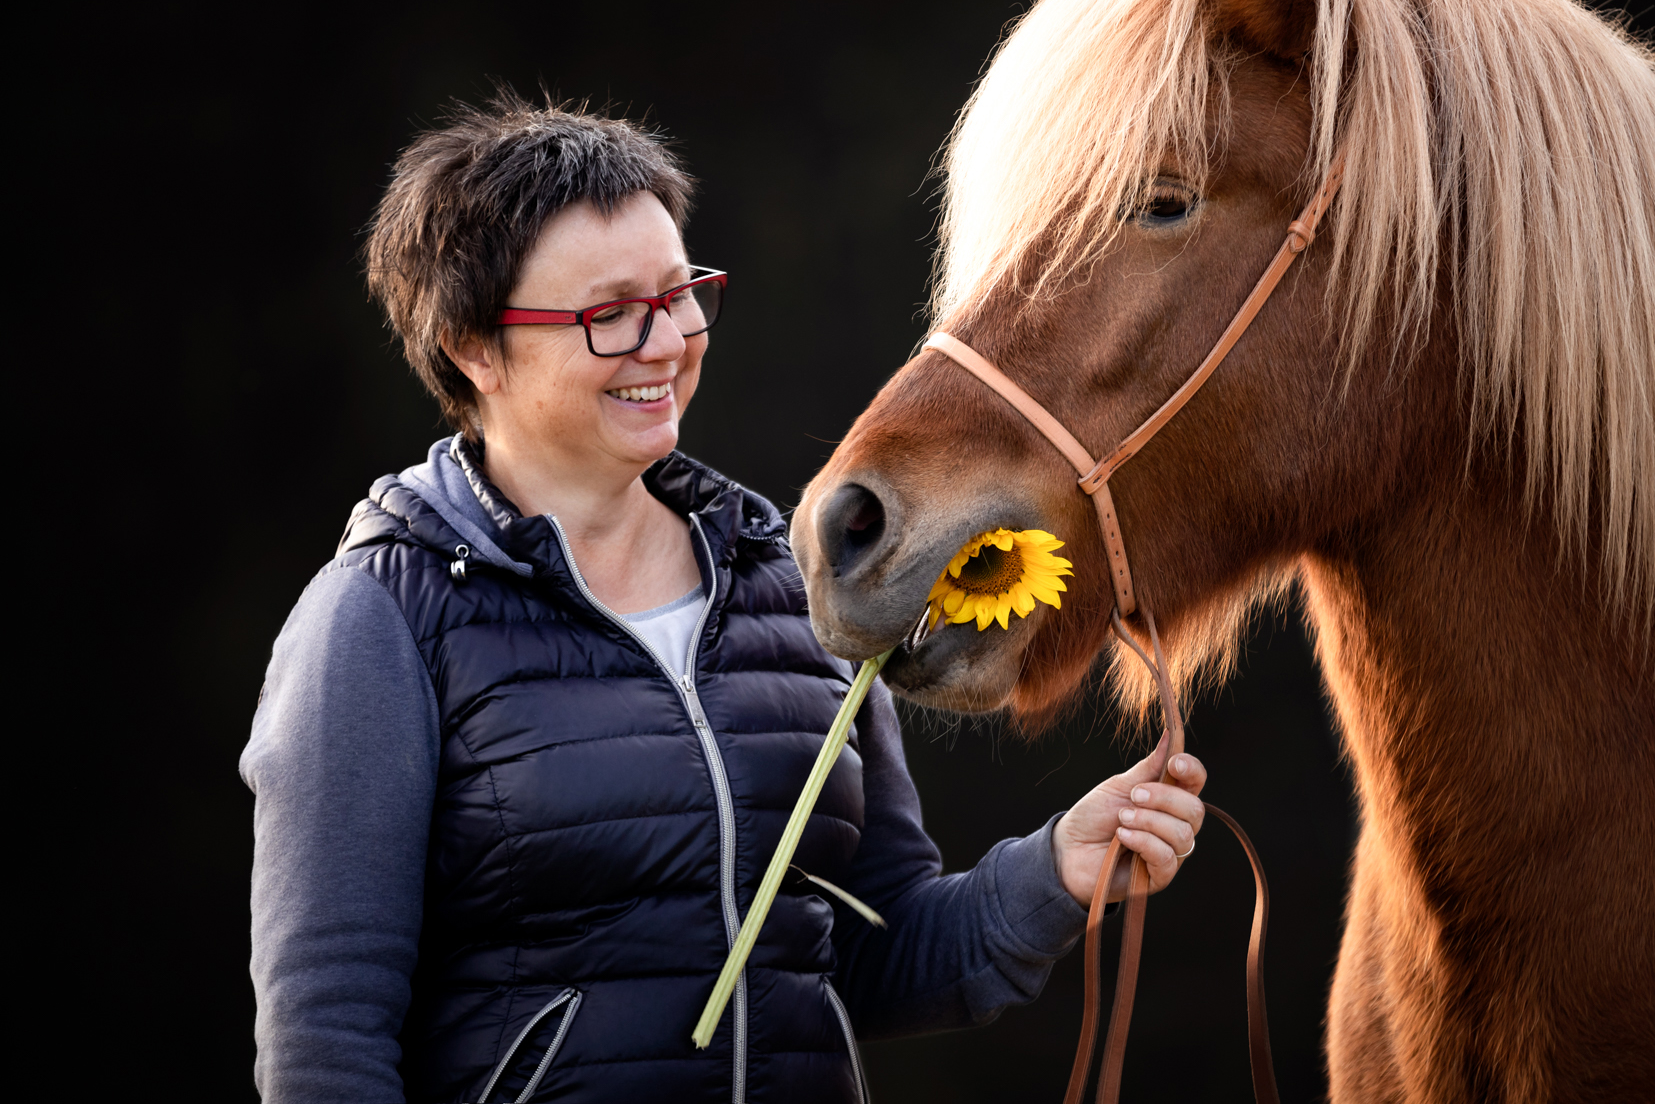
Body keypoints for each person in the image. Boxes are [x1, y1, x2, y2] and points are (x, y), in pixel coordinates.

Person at [240, 91, 1209, 1102]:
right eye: (610, 315)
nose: (665, 342)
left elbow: (868, 955)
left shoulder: (789, 590)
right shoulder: (380, 617)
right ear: (473, 349)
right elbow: (327, 1040)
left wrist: (1053, 871)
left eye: (679, 292)